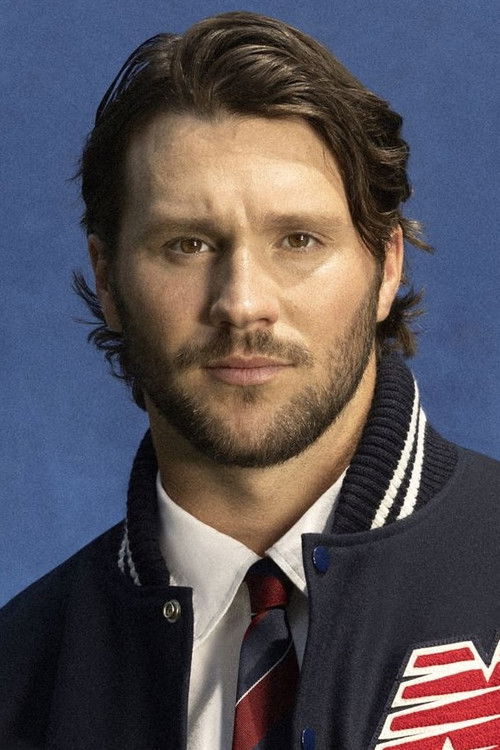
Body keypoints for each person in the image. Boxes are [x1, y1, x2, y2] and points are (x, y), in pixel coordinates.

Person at [1, 10, 499, 750]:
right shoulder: (19, 679)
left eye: (298, 240)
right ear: (108, 279)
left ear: (388, 265)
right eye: (187, 244)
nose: (242, 303)